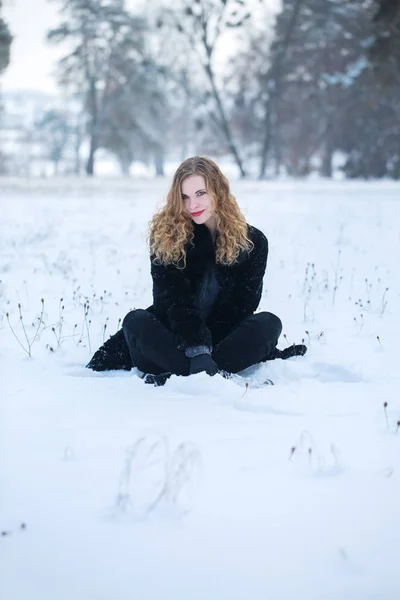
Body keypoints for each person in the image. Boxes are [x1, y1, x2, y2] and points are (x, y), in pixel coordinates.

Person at [87, 156, 306, 385]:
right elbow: (171, 301)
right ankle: (203, 374)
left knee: (269, 323)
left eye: (200, 193)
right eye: (185, 197)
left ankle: (192, 373)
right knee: (135, 321)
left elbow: (242, 307)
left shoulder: (254, 243)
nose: (192, 205)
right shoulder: (167, 236)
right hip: (173, 341)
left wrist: (208, 350)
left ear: (218, 191)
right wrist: (196, 348)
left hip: (223, 342)